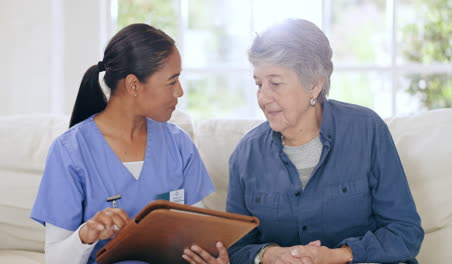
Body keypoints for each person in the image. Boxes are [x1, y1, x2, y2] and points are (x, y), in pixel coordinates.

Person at [223, 19, 424, 264]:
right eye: (258, 84)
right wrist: (269, 254)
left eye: (275, 83)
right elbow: (235, 248)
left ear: (314, 84)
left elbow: (405, 232)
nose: (263, 97)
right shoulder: (246, 154)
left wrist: (339, 256)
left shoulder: (367, 131)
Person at [30, 23, 228, 264]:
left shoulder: (178, 144)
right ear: (134, 85)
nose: (180, 92)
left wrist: (212, 257)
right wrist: (86, 235)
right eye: (171, 81)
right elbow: (55, 259)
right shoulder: (70, 151)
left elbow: (201, 233)